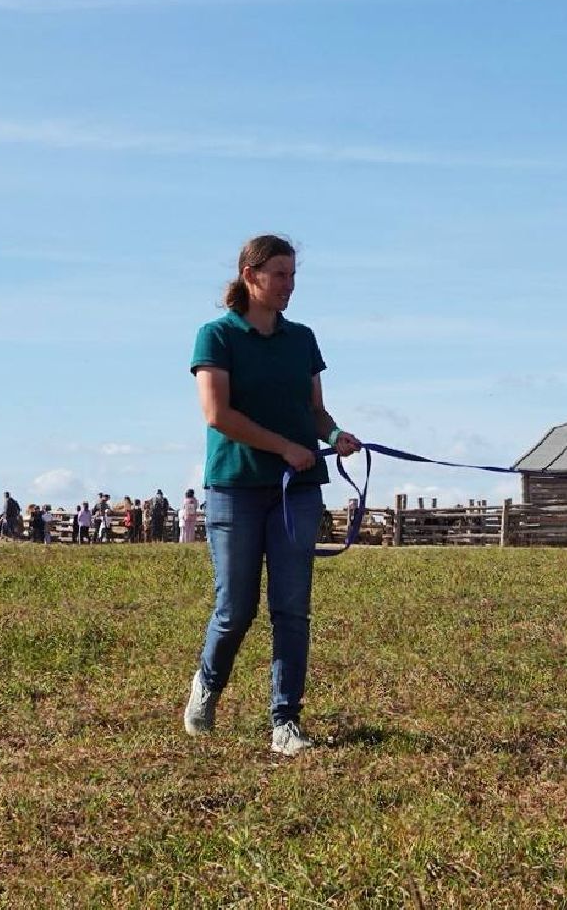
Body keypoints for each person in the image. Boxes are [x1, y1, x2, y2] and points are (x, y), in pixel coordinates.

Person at [183, 233, 362, 757]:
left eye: (292, 275)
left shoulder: (302, 339)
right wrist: (285, 447)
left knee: (292, 607)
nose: (288, 285)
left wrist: (333, 437)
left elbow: (314, 411)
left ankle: (285, 721)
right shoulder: (216, 337)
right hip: (236, 486)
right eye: (278, 274)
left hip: (297, 490)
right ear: (250, 275)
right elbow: (218, 415)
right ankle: (208, 685)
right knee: (235, 607)